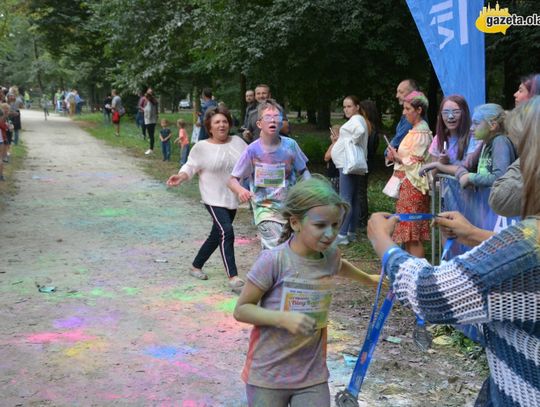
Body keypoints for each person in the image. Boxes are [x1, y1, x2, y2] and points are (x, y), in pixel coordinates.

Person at [367, 95, 540, 407]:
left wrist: (382, 242)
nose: (511, 168)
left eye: (519, 151)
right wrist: (473, 234)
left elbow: (431, 295)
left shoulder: (528, 245)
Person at [234, 176, 381, 407]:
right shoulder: (274, 260)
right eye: (320, 225)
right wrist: (283, 319)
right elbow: (242, 310)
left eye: (335, 225)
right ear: (295, 222)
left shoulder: (330, 255)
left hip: (311, 374)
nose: (330, 234)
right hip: (268, 374)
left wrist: (369, 279)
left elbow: (339, 266)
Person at [166, 106, 247, 291]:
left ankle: (196, 266)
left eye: (225, 121)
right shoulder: (202, 147)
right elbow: (190, 166)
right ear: (209, 127)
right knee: (227, 231)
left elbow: (251, 161)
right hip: (212, 198)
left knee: (216, 235)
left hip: (231, 198)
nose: (222, 125)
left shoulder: (238, 142)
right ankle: (233, 277)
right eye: (217, 122)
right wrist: (181, 176)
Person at [228, 99, 310, 250]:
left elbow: (304, 171)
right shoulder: (252, 150)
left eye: (276, 117)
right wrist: (241, 190)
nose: (272, 120)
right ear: (259, 124)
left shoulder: (290, 146)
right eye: (267, 117)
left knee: (282, 251)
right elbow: (233, 180)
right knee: (279, 249)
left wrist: (310, 190)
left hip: (290, 210)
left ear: (281, 123)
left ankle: (265, 271)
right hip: (264, 209)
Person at [386, 91, 432, 258]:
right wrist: (396, 157)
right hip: (408, 186)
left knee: (413, 236)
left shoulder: (421, 133)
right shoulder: (415, 131)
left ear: (418, 110)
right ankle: (411, 272)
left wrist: (398, 157)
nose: (404, 112)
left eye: (407, 109)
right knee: (408, 234)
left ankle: (419, 275)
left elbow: (417, 163)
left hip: (414, 187)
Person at [329, 95, 370, 245]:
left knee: (345, 199)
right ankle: (351, 232)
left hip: (347, 164)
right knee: (352, 199)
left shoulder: (356, 120)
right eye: (345, 107)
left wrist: (349, 140)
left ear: (357, 107)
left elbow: (358, 133)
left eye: (349, 106)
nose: (346, 109)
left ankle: (342, 234)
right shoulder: (359, 120)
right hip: (353, 164)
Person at [454, 104, 516, 190]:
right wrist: (463, 175)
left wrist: (471, 178)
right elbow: (463, 166)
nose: (471, 128)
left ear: (493, 126)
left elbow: (500, 178)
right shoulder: (485, 143)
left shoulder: (500, 142)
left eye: (476, 123)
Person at [418, 95, 481, 176]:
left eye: (456, 112)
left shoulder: (474, 136)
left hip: (468, 188)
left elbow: (466, 168)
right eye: (446, 112)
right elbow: (433, 176)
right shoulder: (438, 139)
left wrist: (438, 165)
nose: (450, 116)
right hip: (447, 189)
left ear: (464, 113)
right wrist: (441, 162)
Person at [385, 79, 419, 157]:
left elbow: (399, 138)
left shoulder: (411, 115)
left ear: (412, 93)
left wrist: (387, 152)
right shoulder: (415, 112)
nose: (397, 95)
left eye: (401, 92)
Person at [323, 124, 340, 192]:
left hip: (336, 175)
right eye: (331, 134)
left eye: (333, 135)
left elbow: (326, 157)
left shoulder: (336, 145)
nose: (331, 137)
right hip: (332, 174)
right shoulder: (333, 145)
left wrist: (334, 143)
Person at [143, 90, 158, 154]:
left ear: (147, 98)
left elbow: (149, 112)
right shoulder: (153, 103)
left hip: (149, 121)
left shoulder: (149, 103)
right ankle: (151, 148)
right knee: (151, 135)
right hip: (153, 121)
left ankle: (151, 149)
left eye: (145, 98)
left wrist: (146, 115)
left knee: (150, 135)